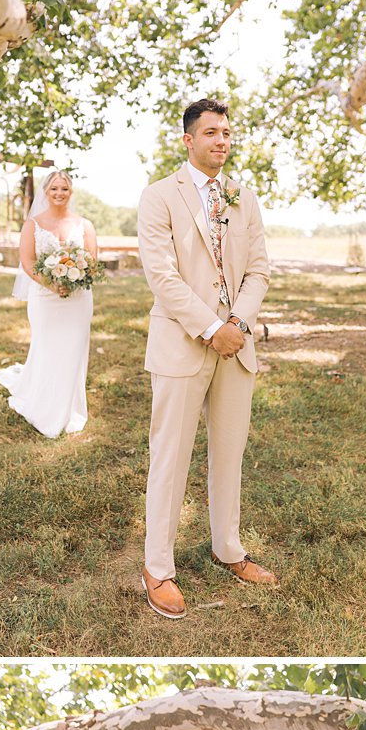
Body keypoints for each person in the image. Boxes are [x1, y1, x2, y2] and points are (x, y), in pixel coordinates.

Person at [136, 97, 275, 621]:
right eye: (211, 132)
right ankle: (157, 567)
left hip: (236, 346)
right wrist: (211, 327)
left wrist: (236, 324)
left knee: (229, 453)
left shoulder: (244, 196)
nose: (222, 140)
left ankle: (228, 549)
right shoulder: (158, 197)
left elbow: (259, 270)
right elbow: (162, 276)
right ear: (188, 139)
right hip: (182, 343)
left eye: (227, 133)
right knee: (169, 458)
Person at [0, 169, 98, 438]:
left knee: (74, 350)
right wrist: (51, 283)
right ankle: (42, 404)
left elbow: (92, 262)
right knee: (47, 347)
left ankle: (70, 408)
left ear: (71, 192)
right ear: (46, 192)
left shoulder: (84, 225)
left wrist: (74, 279)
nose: (59, 193)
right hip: (44, 298)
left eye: (64, 189)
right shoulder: (33, 225)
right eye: (54, 189)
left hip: (77, 300)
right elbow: (28, 262)